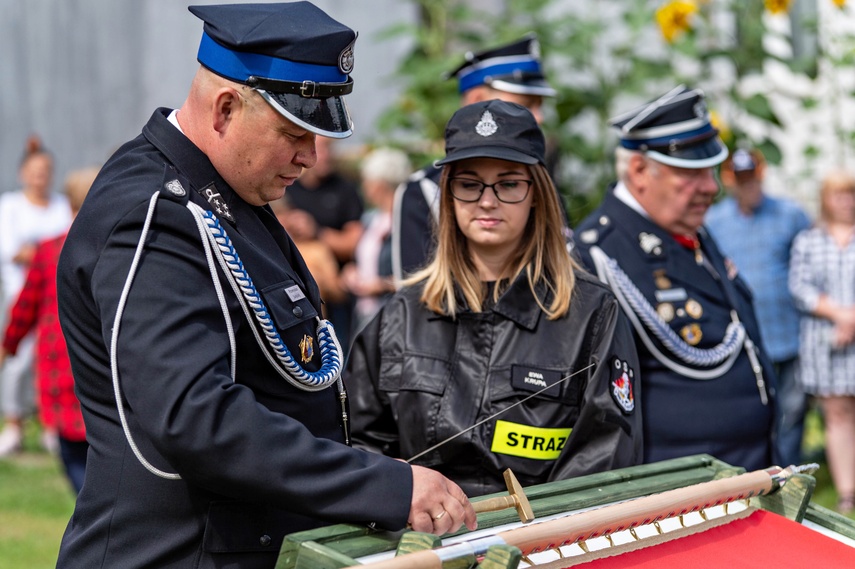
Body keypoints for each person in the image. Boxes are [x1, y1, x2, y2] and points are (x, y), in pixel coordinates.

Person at [55, 5, 475, 568]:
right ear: (226, 108)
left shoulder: (225, 194)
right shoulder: (158, 213)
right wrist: (384, 487)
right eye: (294, 133)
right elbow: (196, 417)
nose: (310, 157)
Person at [346, 100, 643, 498]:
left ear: (536, 193)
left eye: (508, 184)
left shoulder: (591, 314)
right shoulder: (404, 314)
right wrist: (403, 495)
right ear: (449, 195)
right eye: (469, 184)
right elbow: (359, 442)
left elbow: (604, 460)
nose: (487, 201)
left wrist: (529, 528)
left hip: (546, 532)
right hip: (423, 533)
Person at [574, 86, 776, 471]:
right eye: (692, 173)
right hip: (682, 488)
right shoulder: (597, 254)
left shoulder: (686, 229)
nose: (711, 187)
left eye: (711, 170)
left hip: (743, 472)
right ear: (639, 171)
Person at [391, 34, 559, 282]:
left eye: (509, 184)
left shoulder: (537, 174)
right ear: (477, 100)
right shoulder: (424, 191)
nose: (540, 117)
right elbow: (417, 291)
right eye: (526, 104)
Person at [706, 148, 811, 468]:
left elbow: (810, 263)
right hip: (742, 336)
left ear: (761, 176)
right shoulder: (713, 220)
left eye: (752, 178)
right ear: (730, 181)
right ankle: (756, 473)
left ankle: (789, 473)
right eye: (741, 180)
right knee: (751, 408)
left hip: (789, 330)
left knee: (793, 408)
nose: (748, 185)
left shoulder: (791, 214)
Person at [0, 167, 99, 493]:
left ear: (69, 204)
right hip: (106, 371)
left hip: (61, 368)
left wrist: (7, 345)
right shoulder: (123, 246)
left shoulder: (49, 250)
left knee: (76, 461)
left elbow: (24, 308)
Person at [0, 135, 71, 457]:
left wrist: (40, 253)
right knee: (18, 361)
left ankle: (51, 426)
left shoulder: (61, 206)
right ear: (23, 173)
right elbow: (11, 250)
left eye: (45, 171)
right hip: (23, 294)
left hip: (54, 298)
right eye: (34, 171)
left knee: (54, 361)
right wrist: (45, 253)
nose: (40, 177)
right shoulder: (10, 206)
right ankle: (14, 423)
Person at [789, 170, 855, 514]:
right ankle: (847, 492)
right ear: (826, 200)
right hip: (826, 340)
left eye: (850, 194)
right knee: (837, 414)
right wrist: (839, 315)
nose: (846, 202)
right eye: (838, 195)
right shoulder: (809, 240)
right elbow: (800, 288)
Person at [282, 135, 364, 348]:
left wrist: (316, 231)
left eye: (330, 149)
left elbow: (354, 244)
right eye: (320, 149)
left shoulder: (344, 189)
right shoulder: (287, 188)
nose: (327, 156)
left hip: (337, 294)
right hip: (297, 292)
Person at [341, 147, 411, 334]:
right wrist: (352, 271)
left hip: (394, 318)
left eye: (366, 181)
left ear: (379, 184)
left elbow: (419, 273)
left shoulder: (407, 222)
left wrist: (381, 285)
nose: (363, 187)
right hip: (363, 314)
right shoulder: (370, 218)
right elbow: (362, 259)